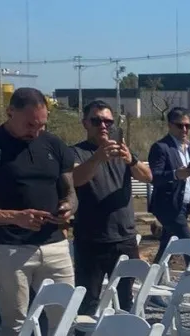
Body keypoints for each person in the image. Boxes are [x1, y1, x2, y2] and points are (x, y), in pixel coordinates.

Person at [0, 87, 77, 336]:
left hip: (54, 244)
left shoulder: (54, 145)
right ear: (9, 112)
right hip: (9, 247)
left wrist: (68, 206)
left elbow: (70, 192)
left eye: (41, 124)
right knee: (15, 320)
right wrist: (16, 217)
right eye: (29, 124)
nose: (35, 130)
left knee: (64, 317)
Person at [70, 100, 152, 316]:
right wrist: (97, 158)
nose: (103, 126)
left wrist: (131, 160)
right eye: (96, 121)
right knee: (88, 298)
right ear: (85, 123)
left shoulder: (122, 151)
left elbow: (147, 177)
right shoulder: (77, 152)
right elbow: (75, 180)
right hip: (91, 239)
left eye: (108, 121)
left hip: (123, 237)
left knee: (126, 298)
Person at [148, 106, 190, 267]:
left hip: (183, 206)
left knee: (165, 247)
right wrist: (175, 174)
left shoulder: (189, 148)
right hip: (168, 207)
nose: (185, 129)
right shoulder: (161, 147)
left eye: (188, 126)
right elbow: (154, 177)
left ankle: (152, 281)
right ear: (170, 125)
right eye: (180, 125)